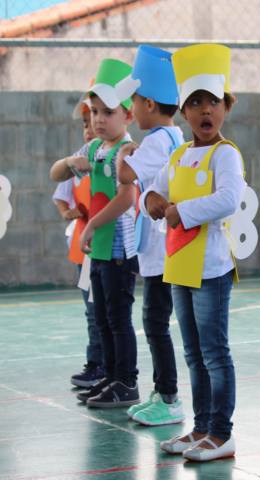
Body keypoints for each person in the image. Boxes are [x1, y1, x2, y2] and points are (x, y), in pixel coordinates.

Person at [139, 43, 245, 462]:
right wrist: (150, 200)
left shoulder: (226, 154)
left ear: (225, 106)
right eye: (195, 102)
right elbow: (155, 189)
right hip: (178, 264)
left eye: (213, 102)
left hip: (212, 268)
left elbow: (227, 199)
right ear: (183, 111)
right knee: (194, 353)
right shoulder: (180, 154)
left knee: (215, 352)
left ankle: (222, 433)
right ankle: (201, 427)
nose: (205, 110)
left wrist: (179, 211)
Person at [50, 58, 140, 408]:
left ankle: (126, 381)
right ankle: (108, 375)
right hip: (98, 251)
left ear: (128, 116)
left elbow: (126, 198)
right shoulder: (94, 148)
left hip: (118, 249)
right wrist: (74, 163)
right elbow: (56, 174)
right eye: (95, 113)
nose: (99, 120)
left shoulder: (125, 151)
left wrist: (91, 225)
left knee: (119, 320)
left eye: (108, 112)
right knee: (102, 318)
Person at [115, 44, 186, 426]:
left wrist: (124, 150)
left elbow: (127, 175)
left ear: (148, 103)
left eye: (134, 102)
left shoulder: (158, 140)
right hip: (161, 248)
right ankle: (161, 390)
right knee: (155, 321)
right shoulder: (171, 138)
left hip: (162, 251)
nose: (131, 110)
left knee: (156, 323)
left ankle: (170, 397)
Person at [51, 95, 103, 388]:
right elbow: (60, 193)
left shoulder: (118, 156)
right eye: (87, 120)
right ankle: (96, 363)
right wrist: (68, 212)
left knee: (104, 311)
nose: (90, 125)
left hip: (104, 245)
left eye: (97, 115)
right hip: (82, 246)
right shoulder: (79, 158)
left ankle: (105, 365)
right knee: (91, 309)